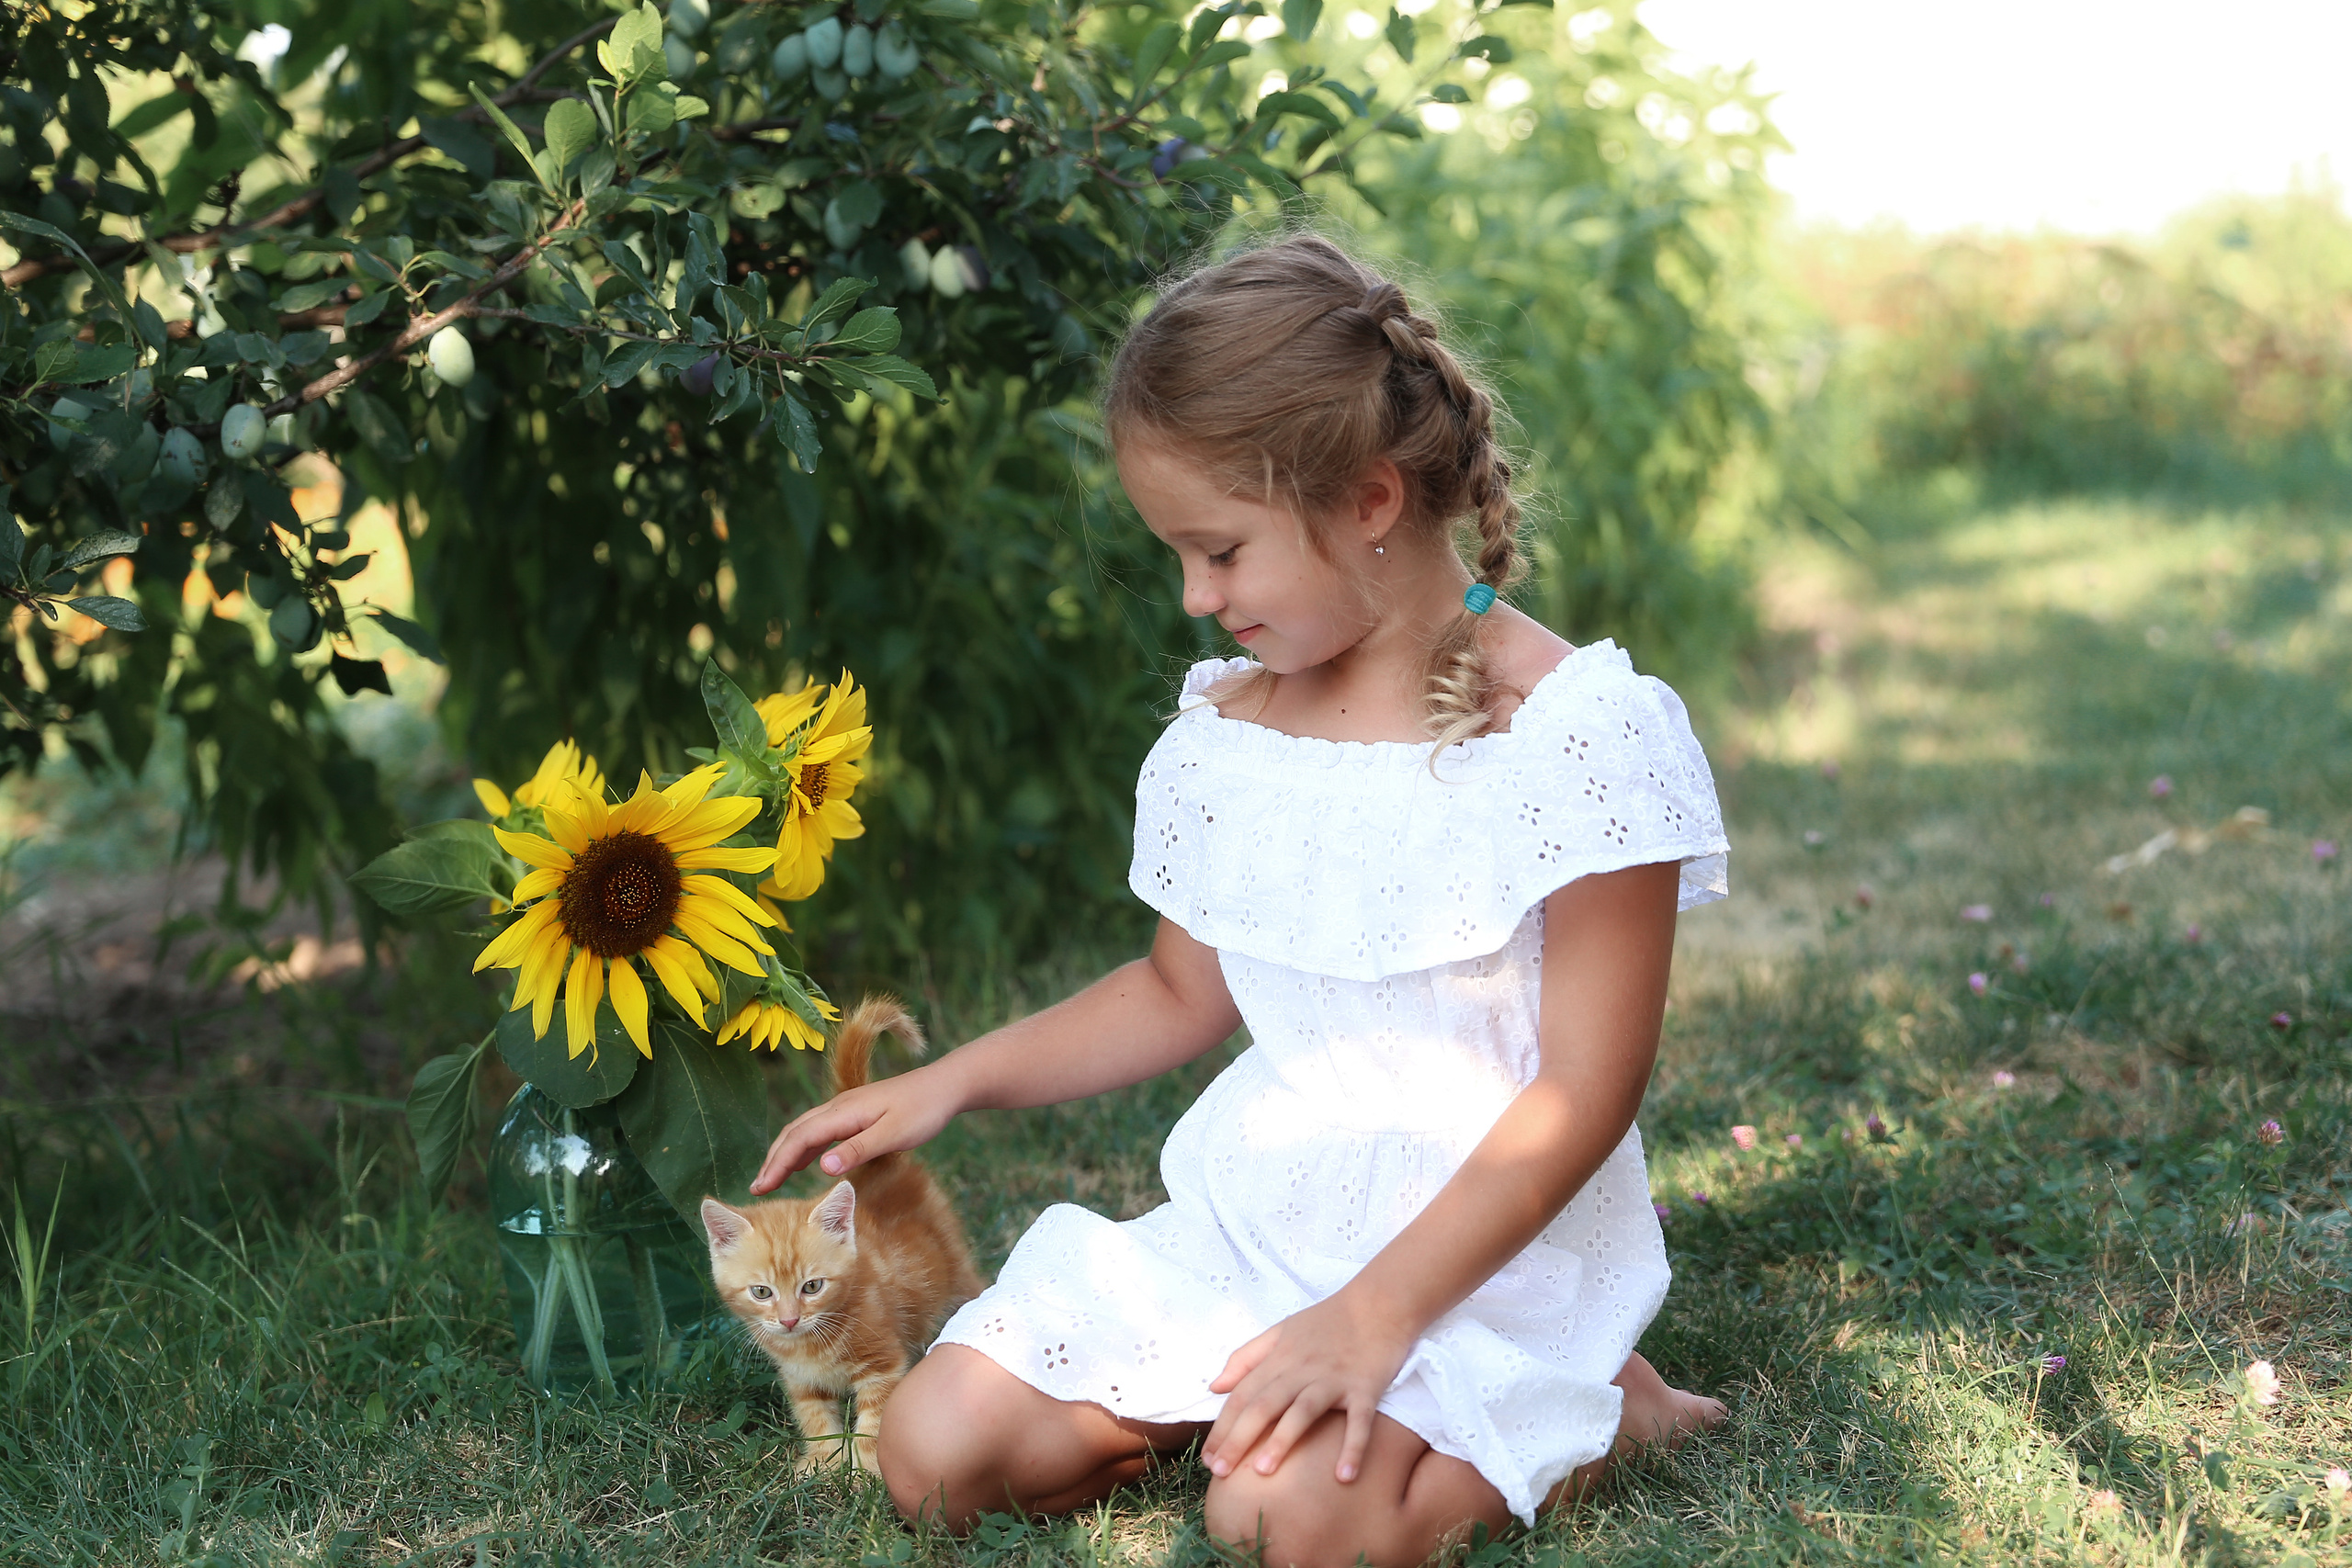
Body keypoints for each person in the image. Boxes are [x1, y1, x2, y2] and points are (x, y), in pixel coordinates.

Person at [750, 232, 1731, 1568]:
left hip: (1476, 1254)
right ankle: (1226, 1395)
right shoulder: (1233, 732)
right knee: (932, 1455)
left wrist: (1376, 1317)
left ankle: (1598, 1408)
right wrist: (952, 1083)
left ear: (1372, 500)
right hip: (1264, 1225)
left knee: (1278, 1522)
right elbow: (1175, 991)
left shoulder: (1576, 737)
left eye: (1219, 552)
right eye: (1176, 556)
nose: (1196, 599)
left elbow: (1584, 1092)